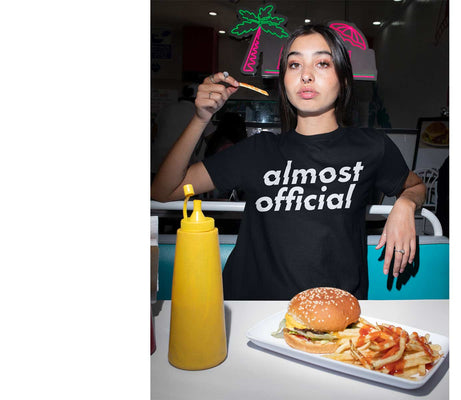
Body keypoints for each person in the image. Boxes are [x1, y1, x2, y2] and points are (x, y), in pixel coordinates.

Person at [151, 24, 426, 300]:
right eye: (294, 64)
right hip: (253, 310)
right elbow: (163, 191)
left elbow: (415, 186)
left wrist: (406, 203)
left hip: (335, 315)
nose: (306, 75)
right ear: (283, 81)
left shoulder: (371, 146)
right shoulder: (257, 151)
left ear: (343, 79)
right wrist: (201, 118)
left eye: (322, 63)